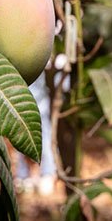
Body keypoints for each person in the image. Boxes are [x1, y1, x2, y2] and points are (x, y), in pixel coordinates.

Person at [15, 53, 70, 195]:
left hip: (41, 96)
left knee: (43, 134)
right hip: (25, 93)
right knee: (21, 133)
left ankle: (47, 173)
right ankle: (24, 175)